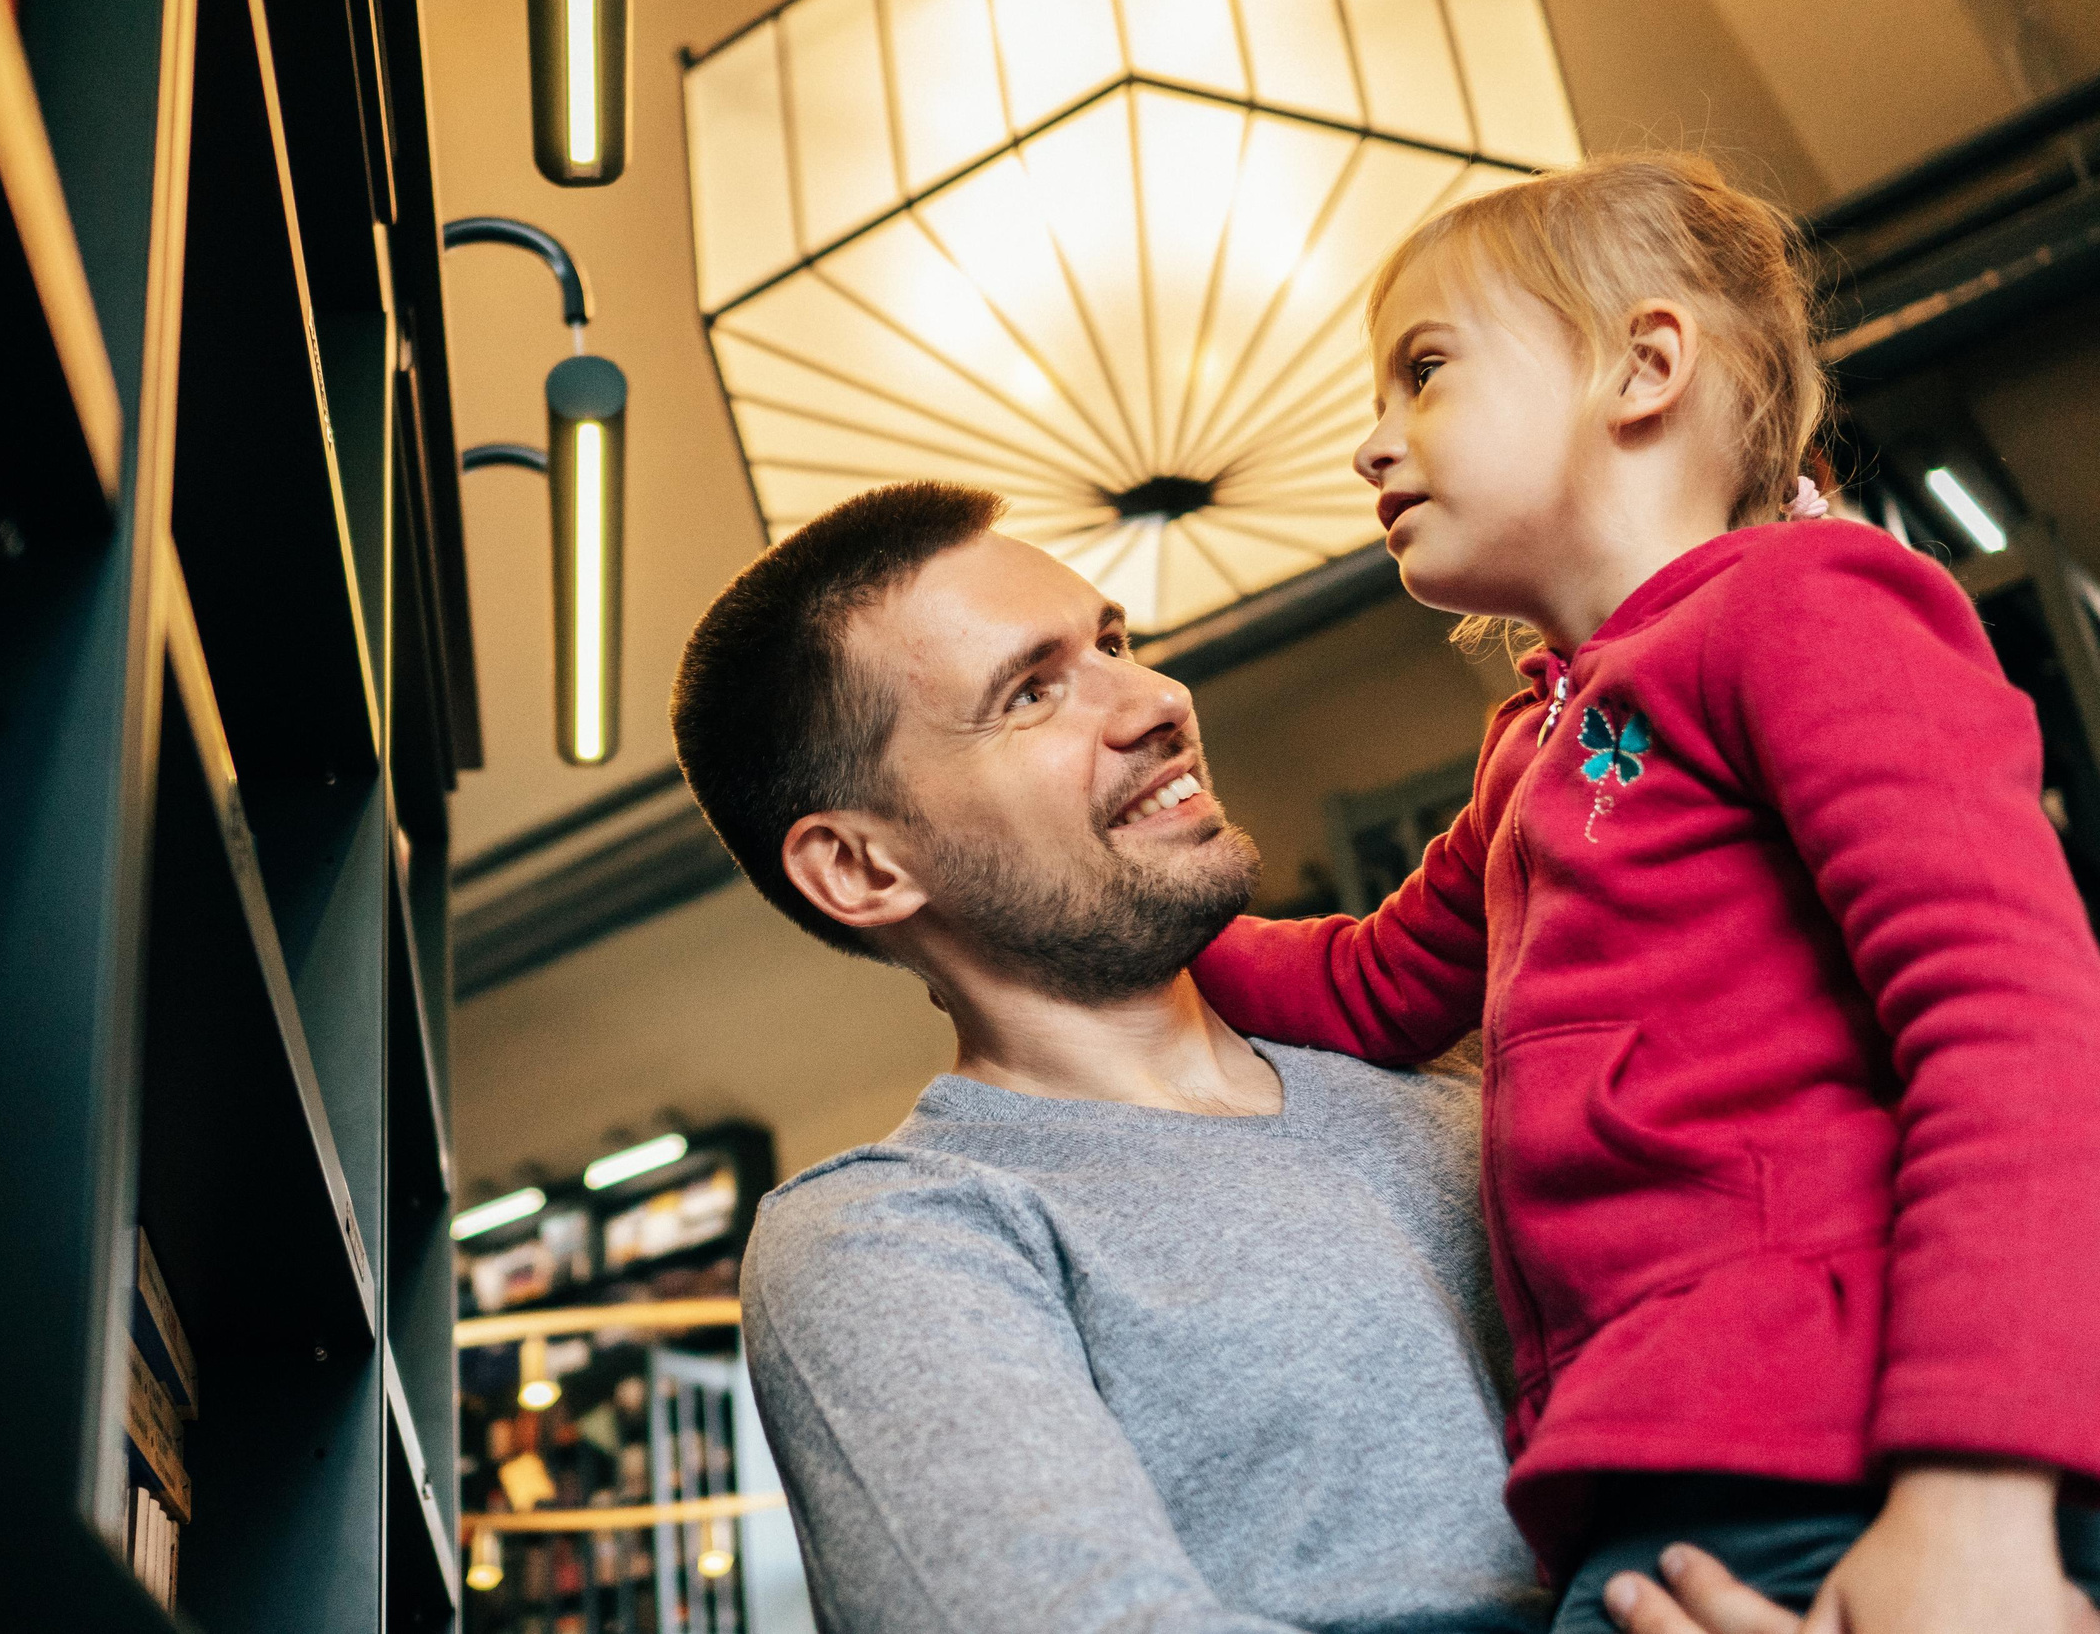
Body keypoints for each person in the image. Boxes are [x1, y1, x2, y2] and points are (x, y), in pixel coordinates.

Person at [1186, 153, 2100, 1633]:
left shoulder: (1804, 604)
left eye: (1422, 371)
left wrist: (1975, 1488)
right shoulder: (1532, 745)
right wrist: (1135, 910)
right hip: (1644, 1481)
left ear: (1644, 364)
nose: (1369, 444)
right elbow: (1370, 980)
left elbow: (2016, 1022)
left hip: (1860, 1461)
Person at [671, 483, 1801, 1634]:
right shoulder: (899, 1232)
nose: (1156, 699)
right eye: (1030, 692)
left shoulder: (1469, 1088)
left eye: (1114, 641)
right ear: (860, 870)